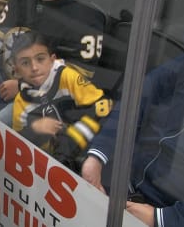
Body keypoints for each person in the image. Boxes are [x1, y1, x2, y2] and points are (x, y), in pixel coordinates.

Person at [0, 0, 106, 123]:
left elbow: (81, 75)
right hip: (6, 77)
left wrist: (22, 86)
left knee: (1, 123)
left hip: (50, 95)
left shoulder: (87, 16)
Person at [81, 54, 184, 226]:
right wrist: (98, 154)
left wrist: (162, 218)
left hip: (168, 213)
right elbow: (138, 97)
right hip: (128, 184)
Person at [10, 31, 112, 171]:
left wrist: (69, 143)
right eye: (25, 63)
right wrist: (35, 129)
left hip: (83, 155)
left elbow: (103, 106)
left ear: (52, 60)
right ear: (16, 70)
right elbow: (19, 144)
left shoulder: (67, 77)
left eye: (40, 59)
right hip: (47, 164)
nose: (34, 67)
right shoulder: (21, 102)